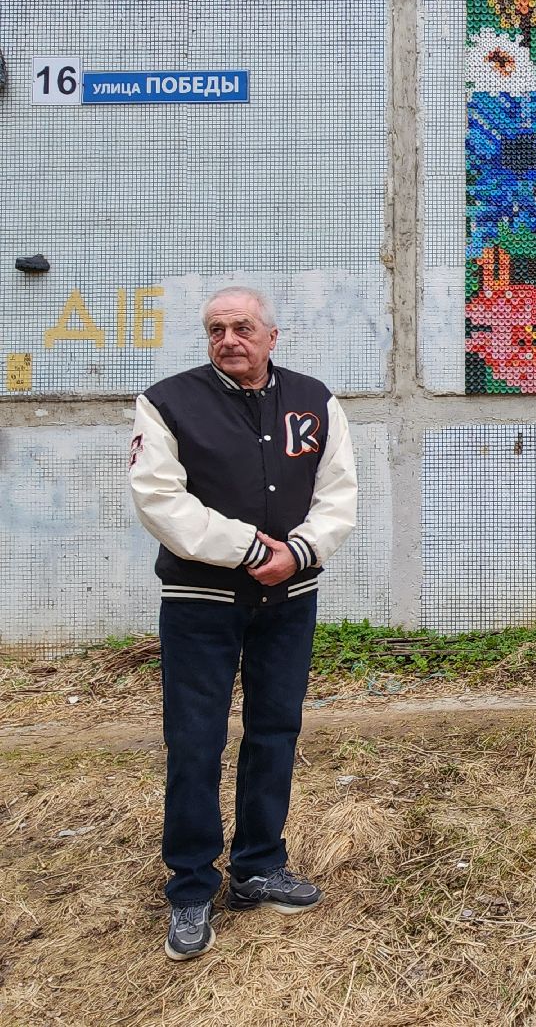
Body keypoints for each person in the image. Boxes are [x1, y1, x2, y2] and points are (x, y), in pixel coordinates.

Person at [128, 286, 357, 961]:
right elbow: (158, 500)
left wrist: (301, 553)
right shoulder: (167, 402)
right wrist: (252, 549)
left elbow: (338, 490)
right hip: (201, 602)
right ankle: (192, 889)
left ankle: (258, 867)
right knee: (195, 742)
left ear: (271, 336)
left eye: (242, 328)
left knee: (274, 731)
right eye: (216, 330)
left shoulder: (316, 400)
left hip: (291, 597)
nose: (229, 339)